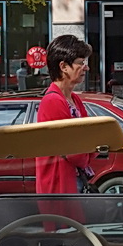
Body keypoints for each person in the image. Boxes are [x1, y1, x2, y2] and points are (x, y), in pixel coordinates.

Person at [35, 36, 99, 195]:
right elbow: (74, 150)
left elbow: (89, 135)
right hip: (60, 185)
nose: (86, 68)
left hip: (72, 181)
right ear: (63, 66)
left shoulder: (73, 98)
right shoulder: (53, 101)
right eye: (80, 62)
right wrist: (89, 149)